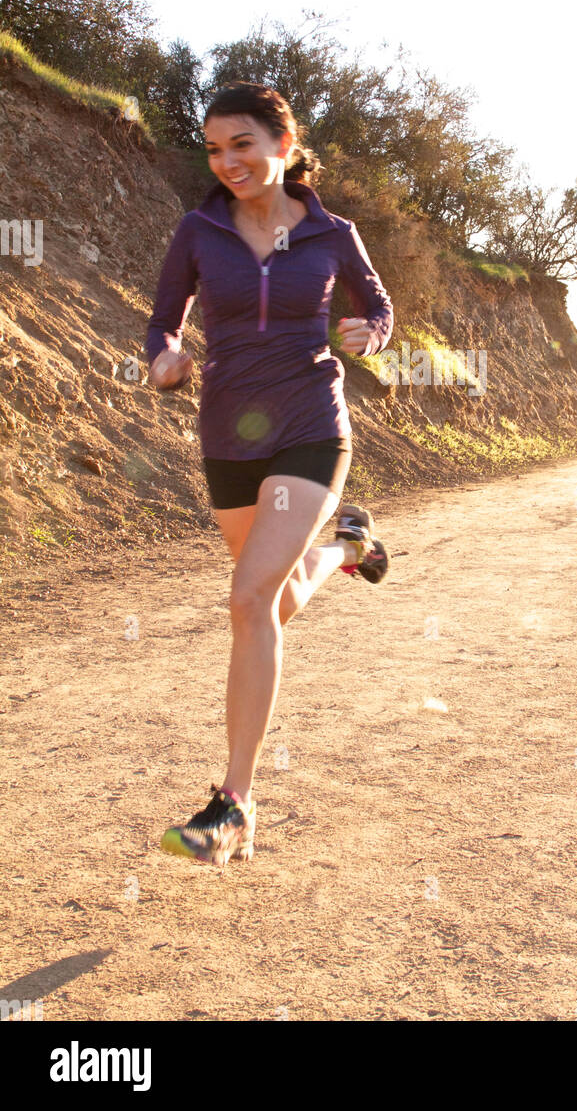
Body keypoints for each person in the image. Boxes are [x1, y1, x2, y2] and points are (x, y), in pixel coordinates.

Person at [145, 80, 394, 867]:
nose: (227, 162)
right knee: (276, 599)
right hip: (227, 433)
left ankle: (233, 803)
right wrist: (164, 358)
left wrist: (370, 333)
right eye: (215, 149)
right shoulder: (198, 230)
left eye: (242, 144)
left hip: (310, 427)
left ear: (284, 144)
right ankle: (348, 550)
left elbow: (379, 307)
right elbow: (163, 318)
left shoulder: (332, 233)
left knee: (249, 600)